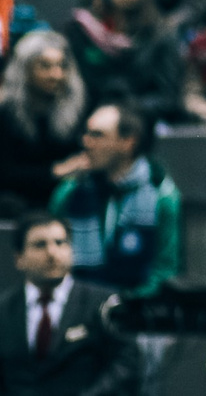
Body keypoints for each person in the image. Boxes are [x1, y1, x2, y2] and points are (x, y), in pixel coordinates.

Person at [47, 104, 178, 296]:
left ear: (128, 142)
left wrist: (123, 302)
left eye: (97, 135)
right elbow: (53, 262)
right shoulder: (69, 192)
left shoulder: (162, 195)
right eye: (86, 133)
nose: (86, 142)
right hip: (79, 302)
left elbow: (165, 269)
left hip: (138, 304)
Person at [4, 214, 140, 396]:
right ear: (19, 258)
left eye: (60, 243)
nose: (52, 253)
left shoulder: (105, 304)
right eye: (40, 245)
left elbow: (127, 365)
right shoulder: (4, 310)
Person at [62, 0, 180, 126]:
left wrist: (121, 112)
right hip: (84, 120)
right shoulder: (79, 30)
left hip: (138, 124)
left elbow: (167, 98)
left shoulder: (162, 34)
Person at [0, 35, 84, 218]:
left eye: (62, 66)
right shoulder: (5, 113)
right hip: (16, 204)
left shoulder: (79, 110)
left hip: (65, 202)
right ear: (25, 69)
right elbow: (5, 172)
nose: (56, 75)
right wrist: (54, 171)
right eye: (45, 66)